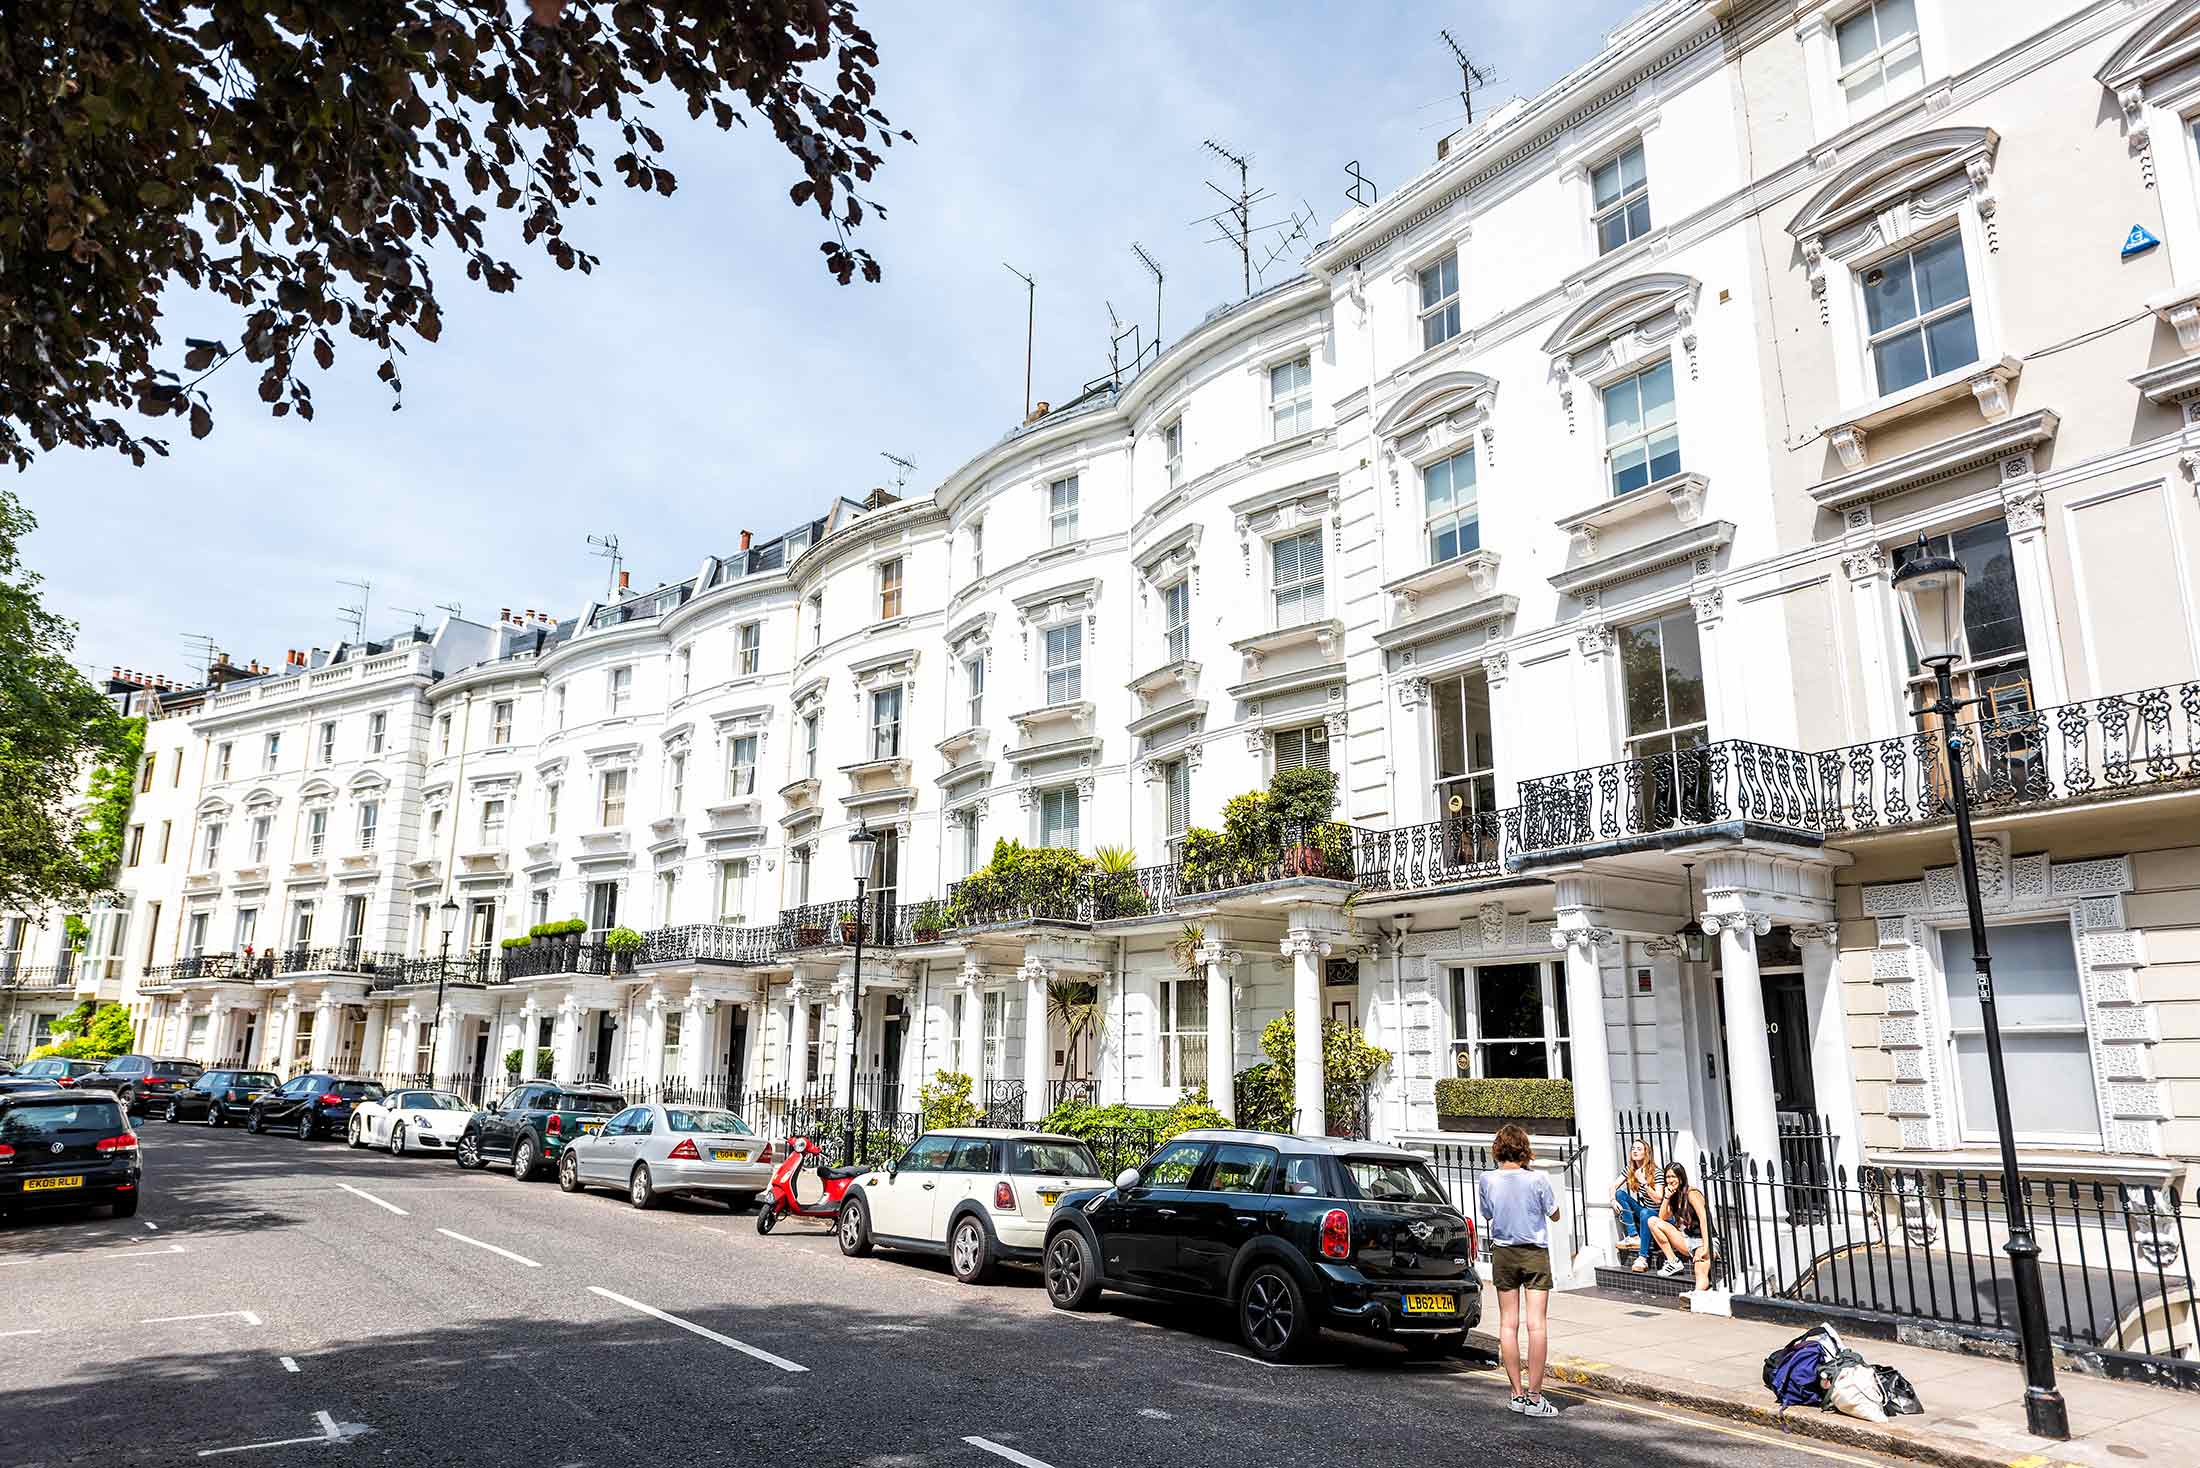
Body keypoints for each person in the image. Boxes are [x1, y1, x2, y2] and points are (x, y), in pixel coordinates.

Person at [1476, 1123, 1562, 1419]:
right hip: (1534, 1253)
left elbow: (1487, 1214)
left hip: (1504, 1252)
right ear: (1524, 1149)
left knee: (1507, 1324)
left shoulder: (1487, 1179)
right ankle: (1536, 1398)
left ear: (1498, 1150)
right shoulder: (1538, 1179)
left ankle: (1516, 1394)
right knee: (1536, 1325)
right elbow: (1555, 1214)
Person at [1647, 1160, 1714, 1290]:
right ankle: (1673, 1261)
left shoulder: (1692, 1193)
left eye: (1673, 1176)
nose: (1670, 1180)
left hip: (1703, 1241)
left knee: (1700, 1269)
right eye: (1667, 1177)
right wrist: (1666, 1197)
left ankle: (1696, 1295)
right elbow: (1662, 1218)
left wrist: (1706, 1247)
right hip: (1687, 1240)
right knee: (1652, 1221)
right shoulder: (1674, 1196)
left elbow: (1704, 1220)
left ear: (1681, 1178)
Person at [1612, 1139, 1663, 1273]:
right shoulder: (1631, 1169)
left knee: (1646, 1213)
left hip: (1660, 1214)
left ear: (1646, 1153)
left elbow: (1658, 1199)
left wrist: (1643, 1182)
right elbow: (1613, 1185)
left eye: (1639, 1149)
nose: (1635, 1151)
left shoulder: (1656, 1172)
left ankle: (1643, 1258)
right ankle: (1634, 1235)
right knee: (1620, 1194)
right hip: (1644, 1211)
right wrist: (1613, 1200)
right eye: (1633, 1148)